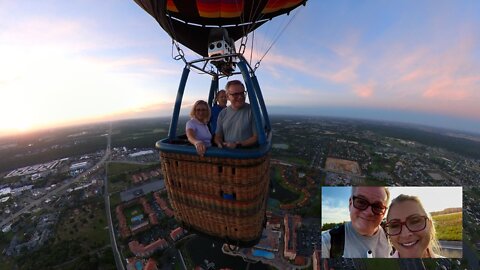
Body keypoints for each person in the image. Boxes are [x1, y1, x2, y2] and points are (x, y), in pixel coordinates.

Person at [321, 187, 392, 258]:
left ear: (384, 212)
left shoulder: (392, 236)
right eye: (361, 202)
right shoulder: (326, 242)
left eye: (377, 206)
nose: (368, 212)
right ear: (350, 204)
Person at [214, 80, 257, 149]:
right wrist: (219, 143)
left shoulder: (252, 111)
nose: (240, 97)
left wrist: (238, 145)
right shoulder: (223, 113)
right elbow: (218, 136)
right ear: (227, 97)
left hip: (247, 156)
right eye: (235, 94)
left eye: (242, 93)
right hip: (228, 155)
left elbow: (256, 137)